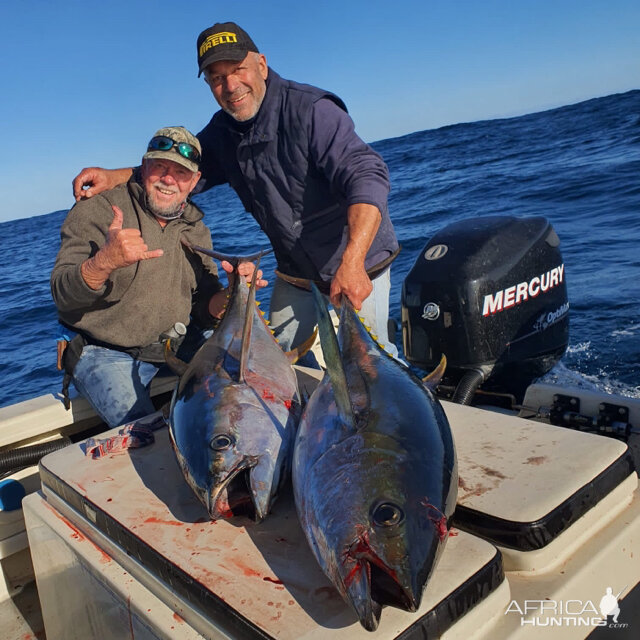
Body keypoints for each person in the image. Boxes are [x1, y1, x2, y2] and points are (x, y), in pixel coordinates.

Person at [72, 22, 400, 359]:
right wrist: (115, 176)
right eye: (216, 78)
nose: (230, 86)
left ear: (261, 64)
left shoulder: (312, 110)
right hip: (297, 273)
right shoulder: (221, 132)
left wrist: (354, 261)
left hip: (357, 262)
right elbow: (181, 172)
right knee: (280, 359)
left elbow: (367, 175)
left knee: (371, 362)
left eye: (238, 69)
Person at [52, 126, 263, 428]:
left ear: (193, 182)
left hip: (176, 344)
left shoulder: (195, 228)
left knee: (243, 393)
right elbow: (62, 293)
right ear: (144, 167)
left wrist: (230, 296)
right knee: (145, 431)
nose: (168, 179)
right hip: (103, 350)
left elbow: (205, 308)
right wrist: (104, 262)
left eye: (181, 173)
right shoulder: (99, 210)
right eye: (160, 167)